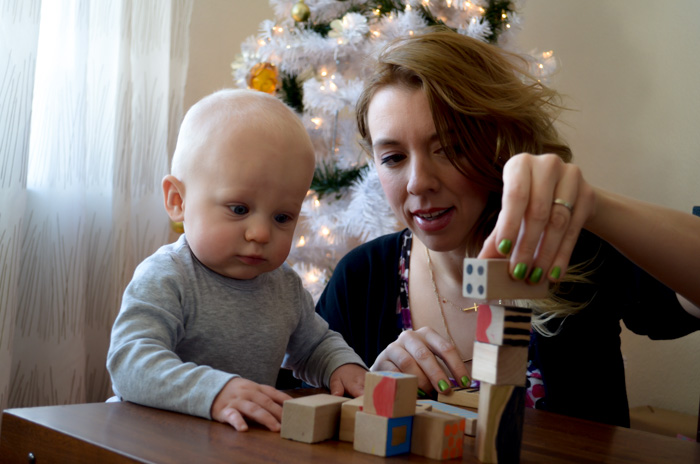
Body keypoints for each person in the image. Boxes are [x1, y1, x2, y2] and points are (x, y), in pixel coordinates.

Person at [316, 28, 700, 427]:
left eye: (450, 148)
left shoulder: (569, 249)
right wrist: (373, 390)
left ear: (497, 143)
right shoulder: (361, 277)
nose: (418, 182)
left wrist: (596, 205)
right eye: (394, 157)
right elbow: (292, 412)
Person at [107, 89, 367, 433]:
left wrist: (342, 367)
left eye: (282, 217)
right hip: (149, 439)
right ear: (177, 201)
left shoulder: (283, 286)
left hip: (234, 442)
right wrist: (214, 393)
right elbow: (130, 362)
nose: (260, 233)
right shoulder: (168, 276)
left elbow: (315, 345)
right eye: (239, 209)